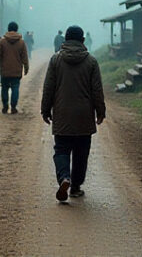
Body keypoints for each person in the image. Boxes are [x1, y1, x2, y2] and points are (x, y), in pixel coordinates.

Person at [41, 25, 105, 202]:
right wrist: (101, 111)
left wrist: (45, 110)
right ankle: (75, 187)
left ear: (65, 40)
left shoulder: (55, 60)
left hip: (62, 113)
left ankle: (64, 178)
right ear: (83, 41)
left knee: (61, 150)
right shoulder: (91, 61)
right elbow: (97, 90)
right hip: (84, 115)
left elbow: (49, 88)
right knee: (81, 152)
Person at [0, 21, 29, 114]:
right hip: (16, 70)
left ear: (8, 29)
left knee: (4, 88)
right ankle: (13, 107)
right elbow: (24, 57)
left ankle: (5, 106)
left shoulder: (2, 41)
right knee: (15, 88)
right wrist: (26, 68)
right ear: (17, 29)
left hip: (5, 70)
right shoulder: (21, 42)